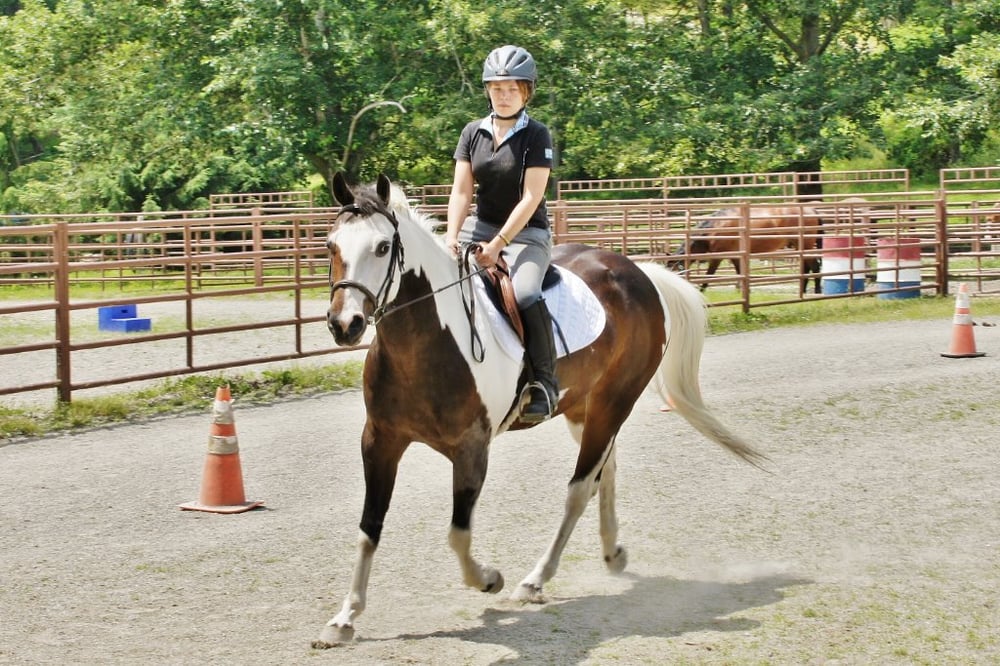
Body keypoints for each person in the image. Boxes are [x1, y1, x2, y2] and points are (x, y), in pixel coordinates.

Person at [445, 45, 558, 423]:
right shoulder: (471, 133)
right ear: (488, 91)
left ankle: (544, 382)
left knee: (525, 292)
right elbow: (462, 192)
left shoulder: (537, 135)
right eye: (496, 88)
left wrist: (498, 245)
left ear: (526, 91)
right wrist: (450, 236)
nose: (504, 95)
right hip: (479, 228)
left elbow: (531, 197)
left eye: (512, 88)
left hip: (527, 234)